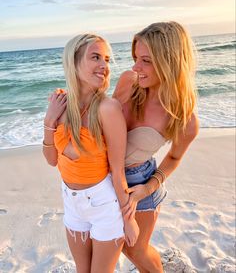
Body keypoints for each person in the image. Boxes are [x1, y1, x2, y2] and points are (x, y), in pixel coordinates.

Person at [42, 33, 139, 273]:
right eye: (95, 57)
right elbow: (52, 159)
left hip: (103, 203)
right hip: (71, 203)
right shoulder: (60, 104)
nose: (104, 66)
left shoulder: (107, 109)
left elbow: (117, 171)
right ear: (74, 63)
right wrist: (49, 120)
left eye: (106, 59)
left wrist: (129, 220)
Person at [113, 21, 199, 272]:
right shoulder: (128, 82)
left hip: (139, 182)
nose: (135, 67)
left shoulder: (184, 119)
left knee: (134, 249)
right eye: (135, 58)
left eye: (146, 61)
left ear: (169, 62)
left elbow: (173, 158)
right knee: (108, 242)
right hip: (104, 177)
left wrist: (147, 188)